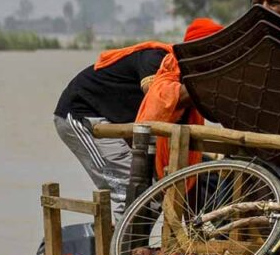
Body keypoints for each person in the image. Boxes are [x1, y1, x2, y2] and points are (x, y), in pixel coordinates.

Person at [53, 19, 222, 221]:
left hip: (119, 124)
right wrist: (215, 84)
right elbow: (158, 99)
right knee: (126, 191)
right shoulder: (157, 59)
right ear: (191, 51)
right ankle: (118, 251)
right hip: (83, 116)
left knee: (153, 193)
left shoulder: (187, 87)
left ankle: (134, 247)